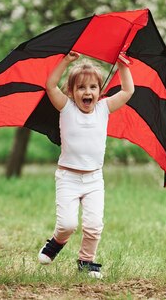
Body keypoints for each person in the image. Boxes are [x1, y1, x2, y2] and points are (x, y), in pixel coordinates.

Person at [37, 51, 134, 278]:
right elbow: (51, 86)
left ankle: (86, 261)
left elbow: (128, 91)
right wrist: (66, 62)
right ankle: (56, 242)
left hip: (93, 180)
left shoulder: (104, 108)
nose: (87, 92)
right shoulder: (66, 107)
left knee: (93, 225)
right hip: (68, 178)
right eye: (81, 88)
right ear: (71, 92)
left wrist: (122, 66)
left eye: (92, 87)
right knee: (67, 225)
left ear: (100, 92)